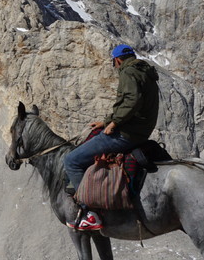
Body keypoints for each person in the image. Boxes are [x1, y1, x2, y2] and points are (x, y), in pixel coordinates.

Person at [63, 44, 160, 230]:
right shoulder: (144, 71)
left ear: (117, 60)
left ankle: (90, 212)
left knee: (72, 160)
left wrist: (114, 123)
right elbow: (130, 104)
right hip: (141, 132)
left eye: (113, 63)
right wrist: (106, 121)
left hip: (126, 134)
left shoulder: (128, 72)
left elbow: (132, 101)